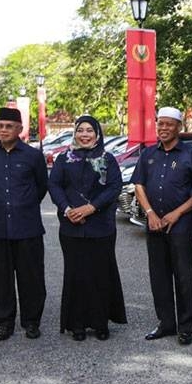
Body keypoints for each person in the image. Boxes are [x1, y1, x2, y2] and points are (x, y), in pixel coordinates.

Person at [48, 114, 127, 341]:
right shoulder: (64, 158)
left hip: (100, 226)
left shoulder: (108, 158)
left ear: (97, 134)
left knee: (101, 273)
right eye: (80, 130)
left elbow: (114, 187)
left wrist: (91, 208)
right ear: (75, 133)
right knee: (76, 274)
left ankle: (100, 322)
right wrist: (67, 209)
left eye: (89, 130)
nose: (84, 135)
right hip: (71, 227)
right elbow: (54, 185)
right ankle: (77, 324)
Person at [132, 106, 192, 345]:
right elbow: (139, 185)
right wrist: (150, 213)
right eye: (160, 124)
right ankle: (166, 323)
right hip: (154, 225)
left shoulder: (191, 155)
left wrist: (177, 213)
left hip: (181, 225)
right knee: (158, 277)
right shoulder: (148, 154)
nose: (163, 128)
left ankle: (185, 327)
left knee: (183, 276)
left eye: (168, 124)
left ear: (179, 127)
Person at [0, 107, 48, 341]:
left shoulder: (32, 155)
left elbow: (41, 186)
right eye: (0, 126)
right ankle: (3, 322)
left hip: (27, 227)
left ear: (19, 129)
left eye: (9, 126)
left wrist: (24, 205)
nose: (4, 130)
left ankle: (31, 321)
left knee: (31, 276)